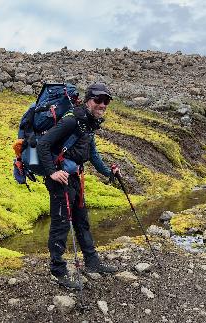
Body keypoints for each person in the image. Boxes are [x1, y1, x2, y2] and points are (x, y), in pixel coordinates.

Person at [37, 83, 120, 290]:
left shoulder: (89, 123)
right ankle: (58, 271)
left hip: (76, 178)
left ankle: (92, 263)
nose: (102, 104)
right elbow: (43, 144)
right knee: (61, 225)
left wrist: (109, 173)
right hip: (60, 179)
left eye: (106, 101)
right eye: (98, 100)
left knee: (82, 221)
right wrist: (52, 172)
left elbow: (92, 154)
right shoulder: (73, 119)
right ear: (88, 100)